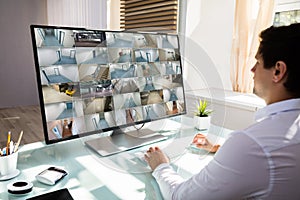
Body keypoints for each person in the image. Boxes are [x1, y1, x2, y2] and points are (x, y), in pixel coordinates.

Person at [144, 23, 300, 200]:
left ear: (278, 70)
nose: (252, 70)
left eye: (258, 62)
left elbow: (182, 197)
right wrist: (220, 149)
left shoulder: (252, 144)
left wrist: (161, 166)